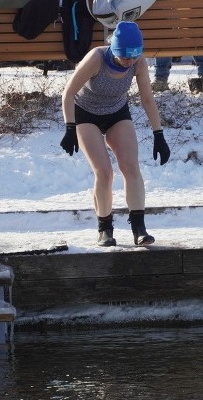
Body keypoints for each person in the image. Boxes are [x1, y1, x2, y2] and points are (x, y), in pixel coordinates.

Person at [60, 21, 171, 247]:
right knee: (104, 172)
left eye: (133, 57)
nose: (129, 62)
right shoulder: (97, 58)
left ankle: (139, 227)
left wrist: (158, 133)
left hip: (116, 112)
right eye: (125, 58)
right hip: (85, 114)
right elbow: (68, 93)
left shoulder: (138, 62)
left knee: (131, 167)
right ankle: (105, 229)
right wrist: (70, 127)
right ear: (114, 50)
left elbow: (147, 99)